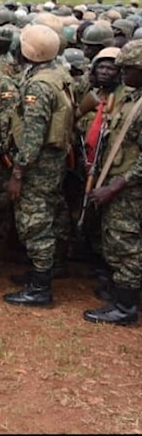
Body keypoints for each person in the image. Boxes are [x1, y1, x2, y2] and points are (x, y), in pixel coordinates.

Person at [3, 24, 74, 307]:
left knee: (35, 221)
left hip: (38, 163)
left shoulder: (38, 86)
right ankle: (47, 268)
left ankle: (40, 288)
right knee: (51, 212)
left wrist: (18, 172)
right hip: (53, 160)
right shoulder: (57, 74)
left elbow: (33, 134)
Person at [82, 39, 142, 325]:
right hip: (119, 180)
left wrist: (117, 185)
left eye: (127, 69)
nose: (121, 74)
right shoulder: (132, 97)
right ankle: (123, 297)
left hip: (129, 188)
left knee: (125, 244)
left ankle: (126, 308)